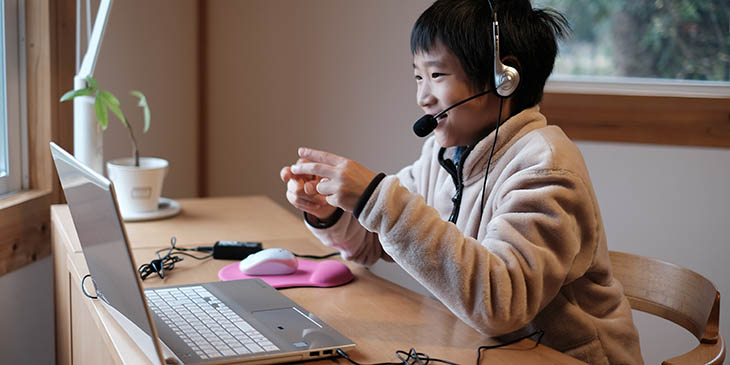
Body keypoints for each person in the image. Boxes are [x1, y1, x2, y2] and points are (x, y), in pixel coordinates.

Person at [280, 0, 643, 363]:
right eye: (418, 76)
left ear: (505, 79)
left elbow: (501, 304)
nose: (422, 97)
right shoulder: (444, 154)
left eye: (437, 76)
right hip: (484, 351)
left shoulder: (545, 168)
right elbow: (374, 241)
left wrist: (375, 200)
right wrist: (331, 212)